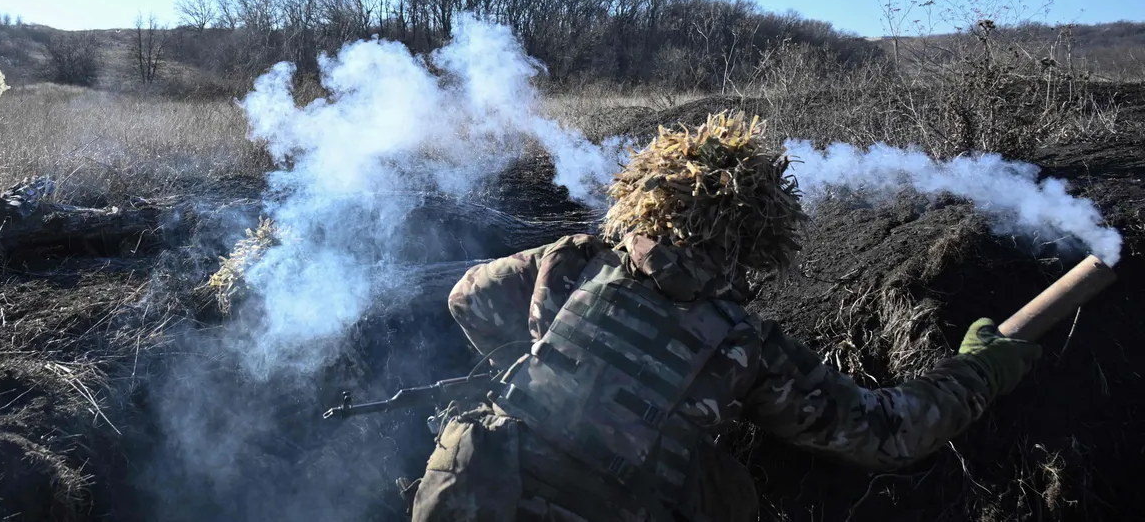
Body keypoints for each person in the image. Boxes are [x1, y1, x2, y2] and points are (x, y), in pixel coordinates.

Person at [406, 112, 1042, 522]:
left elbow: (467, 297)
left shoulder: (572, 262)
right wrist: (982, 370)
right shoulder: (750, 346)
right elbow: (889, 433)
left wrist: (537, 364)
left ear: (646, 197)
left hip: (475, 494)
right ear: (757, 240)